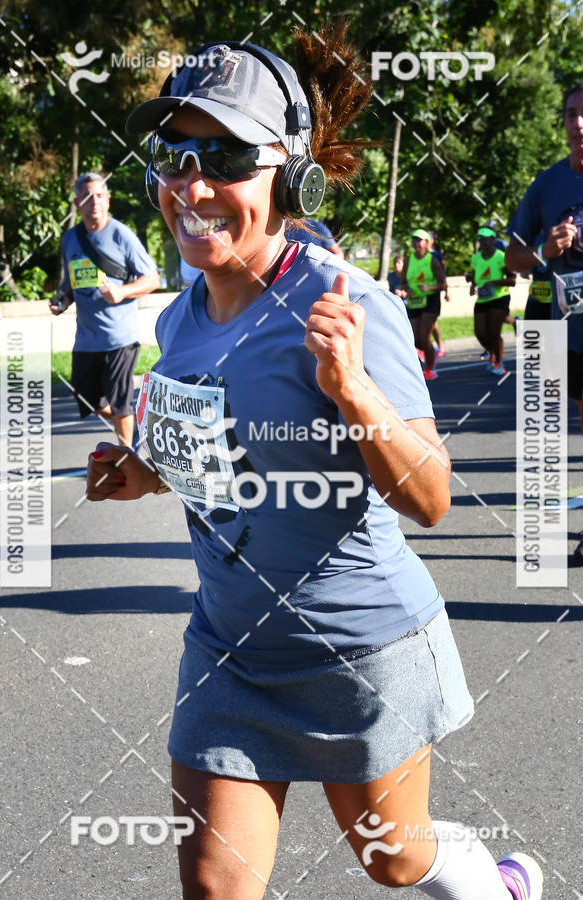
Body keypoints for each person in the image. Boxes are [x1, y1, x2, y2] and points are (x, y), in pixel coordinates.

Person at [87, 29, 543, 900]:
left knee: (395, 860)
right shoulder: (180, 318)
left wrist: (352, 391)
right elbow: (211, 462)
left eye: (223, 154)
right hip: (229, 649)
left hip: (357, 650)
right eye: (173, 154)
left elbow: (432, 496)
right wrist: (141, 469)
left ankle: (502, 884)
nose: (191, 183)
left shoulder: (345, 301)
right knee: (217, 889)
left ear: (291, 176)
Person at [505, 80, 583, 564]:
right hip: (568, 333)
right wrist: (544, 252)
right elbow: (514, 255)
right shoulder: (548, 184)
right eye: (572, 113)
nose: (579, 122)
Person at [49, 173, 160, 446]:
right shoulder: (70, 239)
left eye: (99, 196)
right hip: (87, 340)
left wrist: (122, 291)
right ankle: (134, 432)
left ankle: (128, 456)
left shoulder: (122, 235)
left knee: (120, 403)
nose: (94, 202)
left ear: (108, 200)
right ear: (77, 203)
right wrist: (61, 300)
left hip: (120, 338)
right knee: (89, 400)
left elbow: (152, 278)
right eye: (87, 197)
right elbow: (70, 285)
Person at [467, 226, 516, 375]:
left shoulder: (501, 257)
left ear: (493, 239)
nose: (482, 241)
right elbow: (475, 276)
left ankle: (499, 363)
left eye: (485, 238)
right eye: (480, 239)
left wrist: (493, 283)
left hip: (499, 298)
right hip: (482, 299)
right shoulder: (476, 258)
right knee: (480, 333)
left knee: (494, 332)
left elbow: (512, 280)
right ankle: (493, 353)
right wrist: (472, 284)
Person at [402, 228, 447, 380]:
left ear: (427, 243)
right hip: (415, 302)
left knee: (423, 335)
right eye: (414, 240)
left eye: (419, 240)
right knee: (415, 339)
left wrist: (429, 287)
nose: (416, 243)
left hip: (430, 301)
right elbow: (404, 283)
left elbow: (443, 284)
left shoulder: (432, 260)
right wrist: (407, 291)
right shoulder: (408, 261)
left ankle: (430, 368)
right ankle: (430, 351)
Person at [428, 231, 449, 356]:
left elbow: (443, 275)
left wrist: (446, 291)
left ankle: (439, 346)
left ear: (432, 240)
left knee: (432, 321)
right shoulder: (416, 256)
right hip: (421, 294)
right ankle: (432, 346)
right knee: (430, 322)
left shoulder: (437, 255)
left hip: (434, 291)